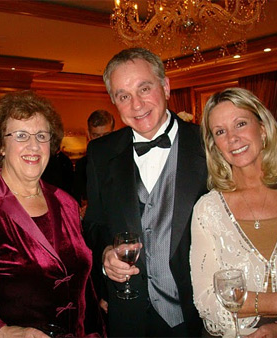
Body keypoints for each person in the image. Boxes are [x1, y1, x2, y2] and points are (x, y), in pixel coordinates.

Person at [0, 91, 104, 337]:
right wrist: (0, 331)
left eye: (42, 136)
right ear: (1, 145)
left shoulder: (66, 203)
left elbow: (85, 287)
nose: (34, 146)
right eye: (21, 135)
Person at [83, 47, 208, 337]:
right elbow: (94, 223)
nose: (136, 104)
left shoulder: (207, 144)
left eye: (144, 88)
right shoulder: (101, 153)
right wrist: (105, 253)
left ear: (165, 86)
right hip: (129, 317)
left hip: (196, 316)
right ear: (114, 101)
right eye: (123, 96)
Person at [190, 87, 277, 337]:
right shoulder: (207, 210)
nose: (232, 138)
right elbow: (207, 299)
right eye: (220, 132)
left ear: (263, 129)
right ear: (215, 145)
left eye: (240, 124)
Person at [72, 109, 115, 213]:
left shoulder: (123, 161)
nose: (101, 141)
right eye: (96, 136)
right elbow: (77, 197)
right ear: (89, 134)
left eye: (106, 135)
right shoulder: (81, 165)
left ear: (113, 134)